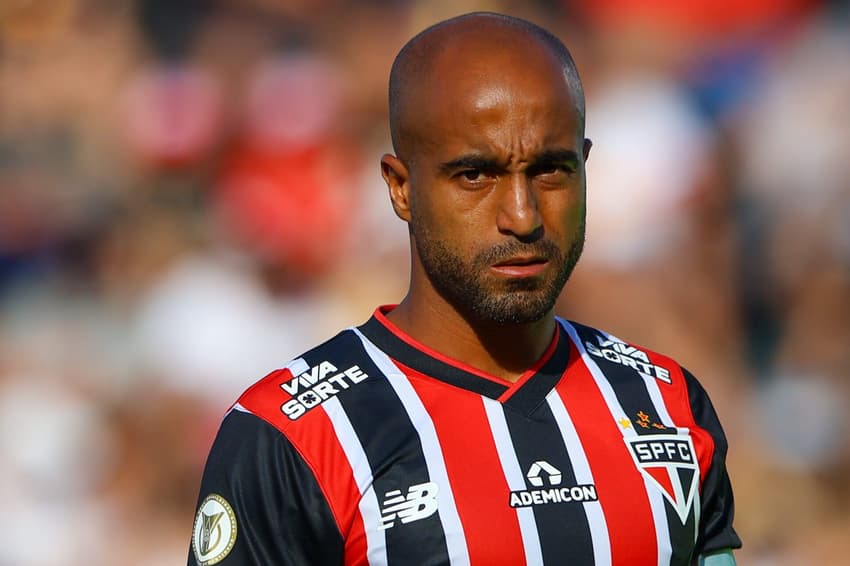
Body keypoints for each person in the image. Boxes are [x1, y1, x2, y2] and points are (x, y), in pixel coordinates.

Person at [188, 12, 741, 566]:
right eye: (475, 175)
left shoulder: (666, 403)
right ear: (401, 188)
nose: (523, 216)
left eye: (551, 170)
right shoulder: (295, 438)